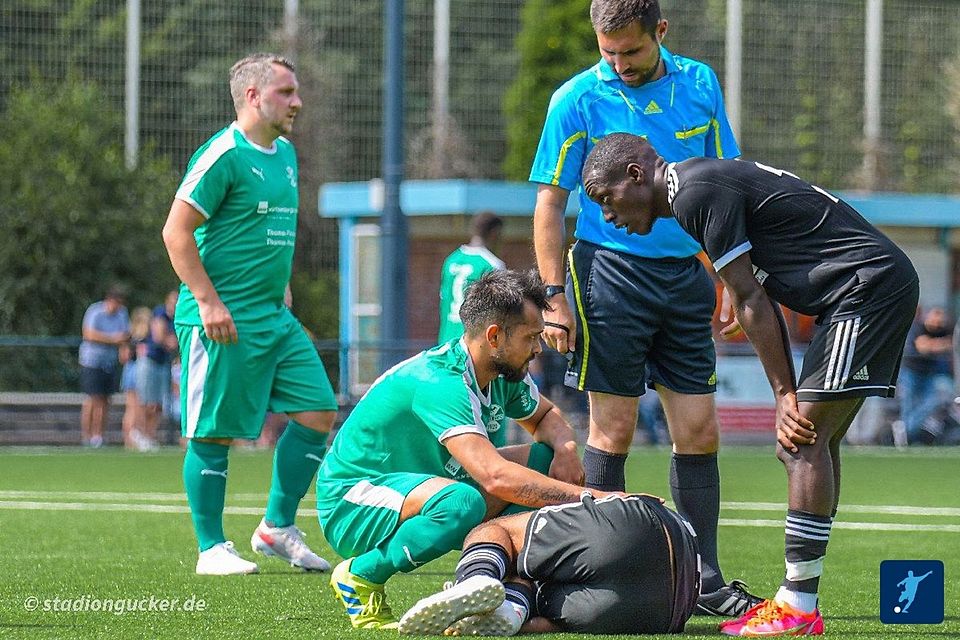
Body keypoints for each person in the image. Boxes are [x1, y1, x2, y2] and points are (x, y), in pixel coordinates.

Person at [581, 132, 920, 636]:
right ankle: (799, 600)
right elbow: (753, 290)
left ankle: (798, 607)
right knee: (815, 442)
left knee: (799, 439)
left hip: (863, 289)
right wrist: (750, 301)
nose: (608, 216)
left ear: (635, 175)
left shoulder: (692, 192)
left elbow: (749, 298)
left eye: (607, 199)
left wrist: (783, 394)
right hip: (861, 289)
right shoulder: (699, 182)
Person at [529, 0, 755, 616]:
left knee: (699, 431)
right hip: (609, 276)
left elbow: (723, 179)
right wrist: (554, 298)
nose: (620, 64)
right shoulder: (575, 98)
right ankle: (616, 578)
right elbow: (551, 202)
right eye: (609, 53)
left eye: (631, 51)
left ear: (660, 32)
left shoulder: (701, 83)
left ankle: (704, 581)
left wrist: (732, 275)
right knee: (614, 430)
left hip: (686, 277)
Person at [319, 270, 607, 630]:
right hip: (352, 502)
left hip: (424, 489)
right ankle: (359, 576)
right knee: (462, 503)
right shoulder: (442, 382)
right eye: (531, 337)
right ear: (494, 337)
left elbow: (547, 417)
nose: (538, 349)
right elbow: (495, 477)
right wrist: (592, 499)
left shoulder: (501, 373)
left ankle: (494, 583)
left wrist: (565, 449)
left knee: (544, 461)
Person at [161, 52, 338, 576]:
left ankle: (276, 528)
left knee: (318, 411)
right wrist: (210, 302)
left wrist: (281, 286)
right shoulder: (222, 155)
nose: (297, 102)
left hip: (273, 317)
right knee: (213, 433)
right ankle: (211, 548)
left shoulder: (286, 154)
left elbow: (266, 231)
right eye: (286, 92)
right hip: (222, 317)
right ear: (253, 96)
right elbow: (176, 232)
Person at [398, 492, 700, 636]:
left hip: (638, 534)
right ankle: (511, 611)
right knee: (537, 597)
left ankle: (476, 576)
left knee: (496, 532)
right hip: (666, 613)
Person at [439, 211, 509, 446]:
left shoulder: (451, 261)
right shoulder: (492, 264)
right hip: (476, 352)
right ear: (495, 233)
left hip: (446, 347)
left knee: (450, 417)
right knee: (484, 419)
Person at [79, 285, 130, 448]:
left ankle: (98, 436)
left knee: (105, 400)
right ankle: (87, 436)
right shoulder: (95, 311)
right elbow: (89, 334)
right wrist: (113, 339)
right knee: (93, 398)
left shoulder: (122, 314)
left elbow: (125, 336)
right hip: (92, 361)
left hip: (109, 362)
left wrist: (123, 347)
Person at [894, 306, 954, 444]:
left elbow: (951, 344)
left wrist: (933, 344)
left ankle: (906, 430)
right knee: (908, 405)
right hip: (911, 371)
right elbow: (923, 347)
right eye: (935, 317)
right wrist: (939, 344)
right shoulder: (917, 327)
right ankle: (907, 437)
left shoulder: (943, 330)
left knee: (931, 402)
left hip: (929, 373)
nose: (938, 322)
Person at [135, 290, 179, 450]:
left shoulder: (177, 318)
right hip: (151, 361)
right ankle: (141, 434)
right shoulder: (160, 313)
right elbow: (159, 337)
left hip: (163, 364)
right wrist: (171, 342)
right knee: (148, 402)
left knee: (159, 404)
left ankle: (151, 436)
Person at [120, 306, 152, 450]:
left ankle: (131, 438)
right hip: (136, 371)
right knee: (134, 407)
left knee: (133, 407)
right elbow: (125, 356)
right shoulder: (138, 338)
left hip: (131, 370)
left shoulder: (130, 336)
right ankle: (130, 438)